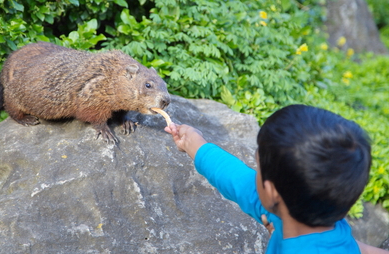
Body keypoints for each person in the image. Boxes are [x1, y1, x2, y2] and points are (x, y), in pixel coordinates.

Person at [164, 104, 388, 253]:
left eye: (258, 168)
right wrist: (197, 145)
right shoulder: (327, 221)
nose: (254, 174)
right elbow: (238, 180)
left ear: (272, 192)